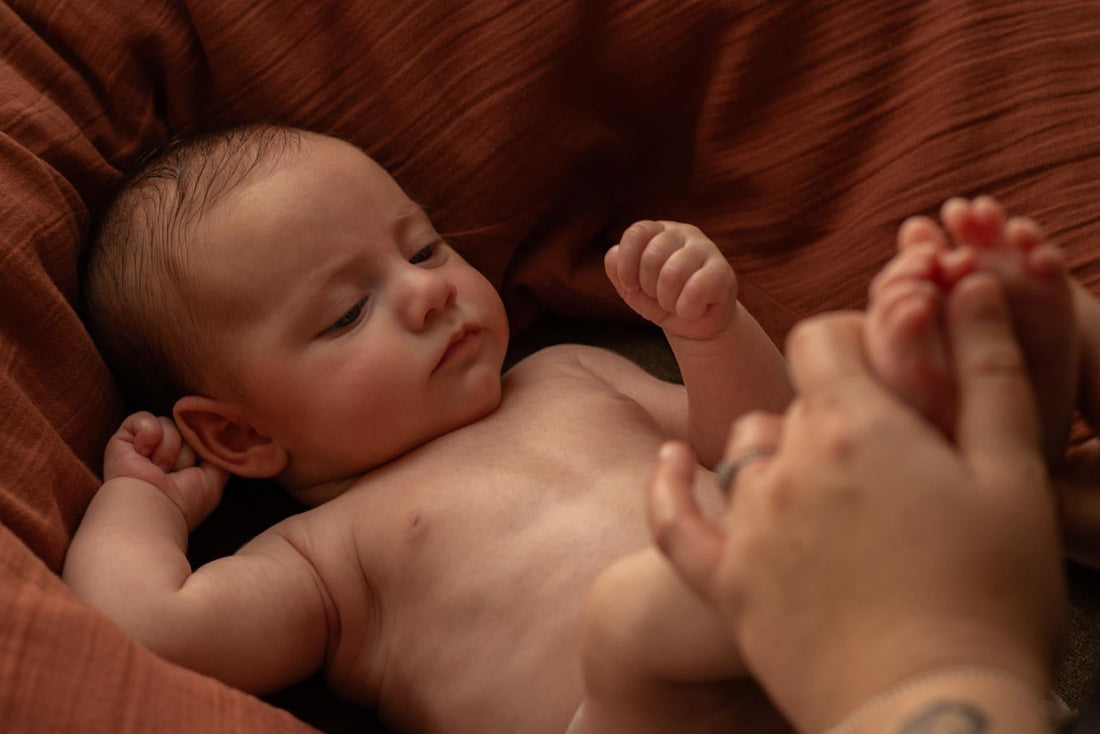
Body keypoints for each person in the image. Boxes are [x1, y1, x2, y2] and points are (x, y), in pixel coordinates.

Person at [62, 124, 795, 734]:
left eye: (423, 248)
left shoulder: (568, 373)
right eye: (348, 312)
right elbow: (147, 633)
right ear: (240, 436)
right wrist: (145, 499)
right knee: (646, 624)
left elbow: (762, 445)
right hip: (652, 707)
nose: (426, 290)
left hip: (829, 635)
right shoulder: (328, 557)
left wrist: (711, 334)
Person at [638, 197, 1096, 733]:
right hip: (789, 633)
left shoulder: (564, 370)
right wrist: (932, 657)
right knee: (625, 615)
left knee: (626, 615)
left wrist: (708, 338)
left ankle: (996, 481)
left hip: (798, 600)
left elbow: (746, 442)